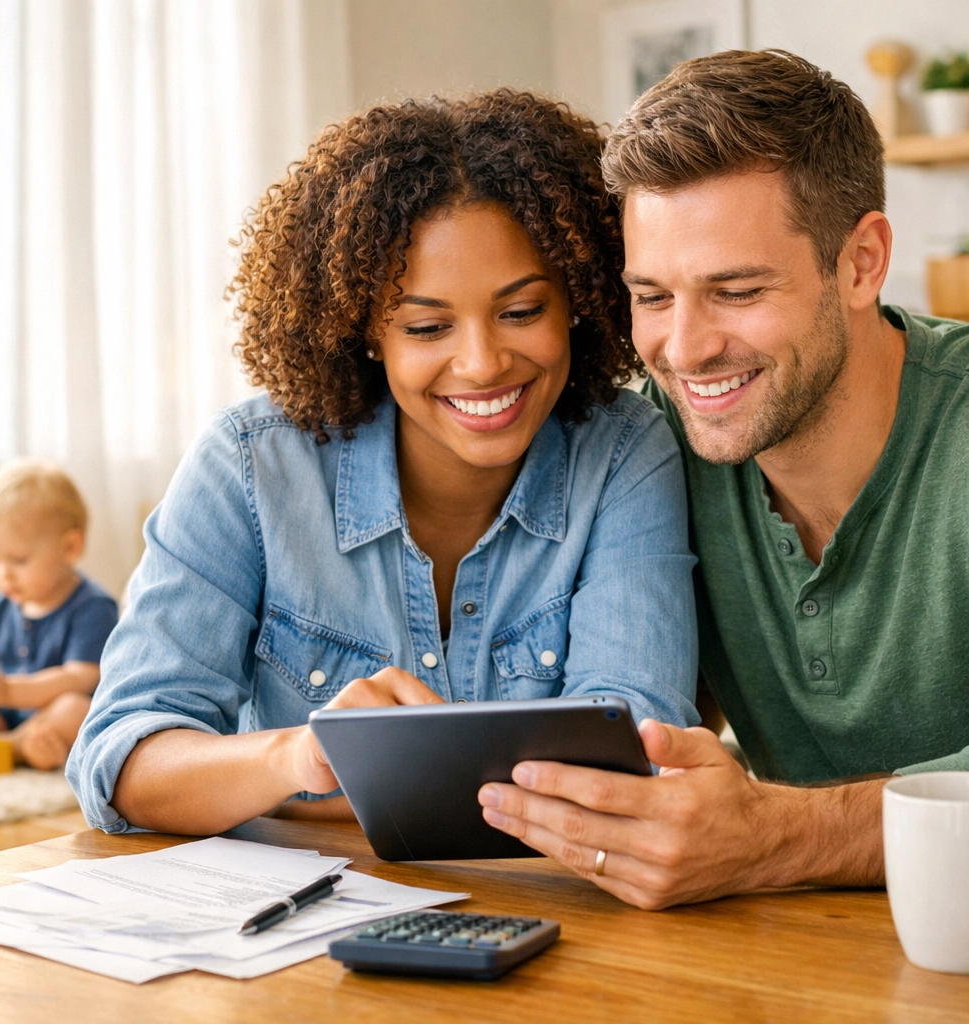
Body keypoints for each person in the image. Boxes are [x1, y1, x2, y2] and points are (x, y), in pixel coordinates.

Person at [67, 90, 699, 836]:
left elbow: (638, 753)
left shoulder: (624, 453)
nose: (481, 362)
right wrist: (297, 759)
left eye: (522, 311)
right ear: (368, 332)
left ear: (579, 300)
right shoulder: (249, 465)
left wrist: (370, 784)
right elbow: (120, 760)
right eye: (427, 326)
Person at [477, 50, 969, 908]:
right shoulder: (649, 449)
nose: (686, 348)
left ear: (861, 262)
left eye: (736, 290)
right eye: (653, 296)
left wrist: (777, 836)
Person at [0, 461, 119, 769]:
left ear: (69, 548)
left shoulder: (93, 606)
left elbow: (82, 677)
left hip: (53, 715)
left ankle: (13, 748)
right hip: (7, 714)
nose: (2, 575)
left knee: (75, 710)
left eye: (18, 560)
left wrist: (10, 690)